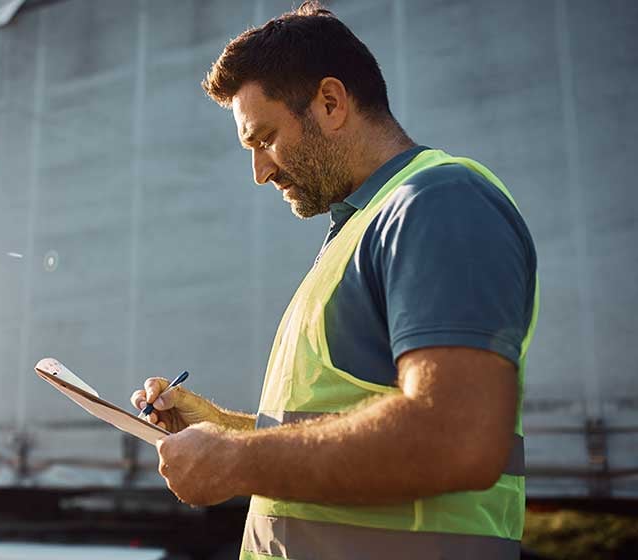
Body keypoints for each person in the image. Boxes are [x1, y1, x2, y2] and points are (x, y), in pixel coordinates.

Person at [129, 2, 539, 559]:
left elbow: (457, 437)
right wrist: (226, 429)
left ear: (330, 102)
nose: (261, 172)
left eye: (265, 138)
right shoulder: (360, 228)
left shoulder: (439, 203)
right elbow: (344, 430)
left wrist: (235, 461)